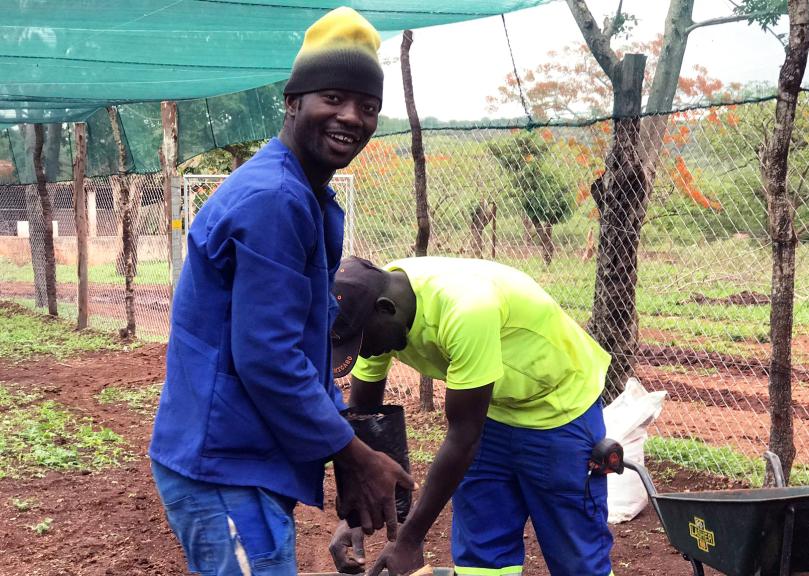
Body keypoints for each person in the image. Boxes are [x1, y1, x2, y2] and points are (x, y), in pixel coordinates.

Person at [148, 7, 413, 575]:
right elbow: (268, 358)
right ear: (293, 102)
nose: (352, 117)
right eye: (333, 98)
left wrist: (342, 441)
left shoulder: (304, 195)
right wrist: (352, 454)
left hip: (238, 456)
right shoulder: (275, 200)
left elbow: (300, 344)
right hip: (224, 463)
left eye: (368, 106)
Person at [328, 256, 615, 576]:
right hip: (491, 408)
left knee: (577, 556)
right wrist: (353, 516)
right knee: (482, 559)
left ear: (386, 309)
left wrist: (409, 539)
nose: (362, 354)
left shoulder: (466, 308)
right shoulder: (370, 304)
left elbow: (464, 436)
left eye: (361, 344)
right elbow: (367, 419)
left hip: (558, 409)